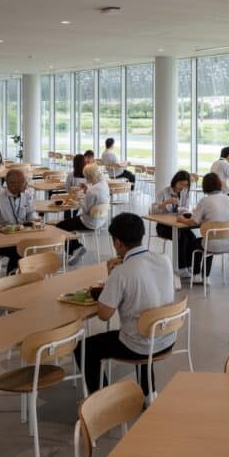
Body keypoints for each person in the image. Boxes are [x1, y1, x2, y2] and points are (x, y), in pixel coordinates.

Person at [74, 213, 176, 401]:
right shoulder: (165, 260)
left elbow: (104, 315)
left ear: (118, 243)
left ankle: (103, 402)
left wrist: (112, 278)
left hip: (140, 344)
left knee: (85, 348)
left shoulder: (121, 272)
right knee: (146, 324)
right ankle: (149, 393)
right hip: (167, 336)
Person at [0, 168, 38, 274]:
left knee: (33, 246)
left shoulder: (26, 195)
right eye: (23, 182)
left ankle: (26, 275)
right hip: (2, 240)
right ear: (11, 184)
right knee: (19, 250)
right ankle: (12, 278)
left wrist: (34, 219)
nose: (27, 184)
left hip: (21, 236)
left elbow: (31, 212)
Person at [188, 172, 229, 284]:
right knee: (209, 239)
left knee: (198, 242)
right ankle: (206, 277)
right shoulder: (228, 199)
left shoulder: (204, 201)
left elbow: (194, 221)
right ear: (220, 184)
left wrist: (181, 219)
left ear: (204, 187)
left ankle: (196, 275)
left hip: (212, 243)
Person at [58, 163, 110, 265]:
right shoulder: (104, 184)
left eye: (86, 176)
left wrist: (77, 201)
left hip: (88, 222)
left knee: (60, 226)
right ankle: (75, 248)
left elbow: (85, 209)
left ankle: (76, 248)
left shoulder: (92, 190)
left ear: (89, 176)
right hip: (101, 221)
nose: (85, 178)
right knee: (69, 224)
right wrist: (87, 191)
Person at [153, 170, 198, 275]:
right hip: (164, 226)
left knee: (192, 238)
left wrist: (184, 211)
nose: (183, 187)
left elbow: (186, 208)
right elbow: (153, 210)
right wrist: (165, 203)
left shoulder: (186, 192)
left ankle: (189, 265)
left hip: (180, 224)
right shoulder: (164, 192)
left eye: (185, 185)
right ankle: (181, 267)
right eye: (181, 184)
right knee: (181, 237)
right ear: (175, 181)